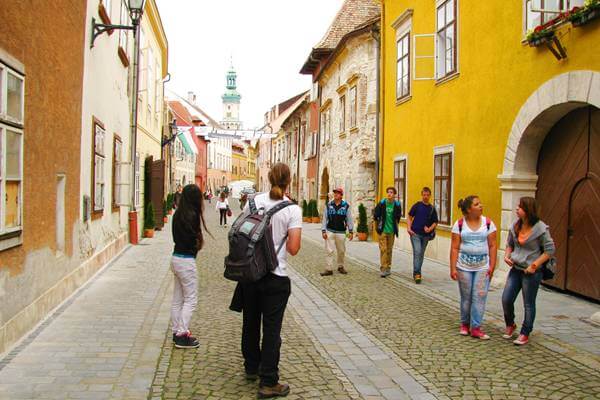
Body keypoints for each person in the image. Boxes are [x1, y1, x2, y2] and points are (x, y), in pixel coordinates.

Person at [240, 163, 302, 399]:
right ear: (289, 181)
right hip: (276, 277)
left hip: (250, 274)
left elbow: (243, 233)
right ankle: (268, 382)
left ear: (268, 179)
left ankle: (251, 366)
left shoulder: (252, 202)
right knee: (272, 330)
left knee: (251, 322)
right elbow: (294, 248)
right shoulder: (292, 209)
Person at [501, 197, 555, 346]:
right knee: (506, 298)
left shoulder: (541, 228)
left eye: (520, 207)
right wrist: (507, 255)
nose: (517, 209)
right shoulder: (515, 226)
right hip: (516, 269)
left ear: (528, 210)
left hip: (531, 272)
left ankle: (525, 332)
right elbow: (509, 244)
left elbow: (550, 250)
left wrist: (535, 265)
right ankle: (510, 324)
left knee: (528, 303)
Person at [450, 195, 497, 340]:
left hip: (482, 266)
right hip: (463, 266)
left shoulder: (488, 223)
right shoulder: (459, 225)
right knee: (466, 297)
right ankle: (465, 324)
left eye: (480, 203)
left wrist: (492, 265)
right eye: (477, 204)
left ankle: (476, 327)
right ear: (469, 209)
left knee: (479, 296)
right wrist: (452, 268)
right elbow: (455, 248)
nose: (481, 206)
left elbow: (493, 245)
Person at [170, 184, 210, 349]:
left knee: (177, 299)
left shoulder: (178, 214)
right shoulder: (192, 215)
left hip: (176, 258)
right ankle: (182, 333)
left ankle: (175, 330)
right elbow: (194, 240)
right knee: (191, 299)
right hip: (186, 260)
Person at [407, 187, 439, 283]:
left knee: (421, 254)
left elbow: (435, 222)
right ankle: (417, 273)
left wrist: (429, 229)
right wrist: (408, 228)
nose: (425, 197)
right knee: (417, 251)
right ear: (422, 195)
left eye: (427, 195)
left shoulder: (432, 208)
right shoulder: (417, 205)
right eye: (424, 195)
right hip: (415, 233)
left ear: (430, 196)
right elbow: (409, 216)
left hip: (425, 235)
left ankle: (417, 272)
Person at [320, 188, 354, 276]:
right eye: (335, 193)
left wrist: (351, 231)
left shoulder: (346, 206)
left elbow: (349, 219)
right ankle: (328, 268)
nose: (335, 194)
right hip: (330, 231)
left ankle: (340, 266)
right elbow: (324, 218)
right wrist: (323, 230)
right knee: (329, 250)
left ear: (341, 195)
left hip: (341, 232)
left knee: (341, 251)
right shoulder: (329, 205)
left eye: (338, 193)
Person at [373, 187, 402, 277]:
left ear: (394, 195)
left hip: (392, 231)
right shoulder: (382, 203)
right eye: (388, 192)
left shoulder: (397, 205)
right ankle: (383, 268)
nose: (389, 194)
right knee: (383, 249)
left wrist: (395, 226)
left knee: (389, 250)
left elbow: (398, 217)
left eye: (391, 192)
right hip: (383, 230)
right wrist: (378, 224)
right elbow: (375, 214)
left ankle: (388, 267)